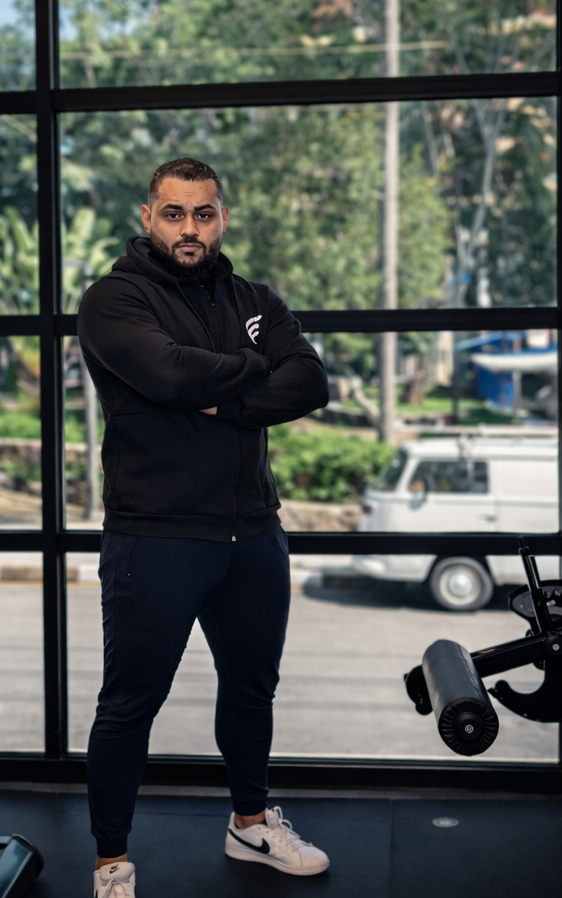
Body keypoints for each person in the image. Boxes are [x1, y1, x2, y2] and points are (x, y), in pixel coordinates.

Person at [77, 157, 332, 898]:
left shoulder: (254, 297)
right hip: (156, 535)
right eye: (174, 213)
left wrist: (222, 391)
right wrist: (255, 367)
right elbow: (166, 374)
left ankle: (250, 824)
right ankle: (111, 862)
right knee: (131, 703)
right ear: (148, 216)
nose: (189, 228)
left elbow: (310, 380)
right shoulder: (115, 298)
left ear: (221, 217)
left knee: (252, 689)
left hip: (253, 532)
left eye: (203, 213)